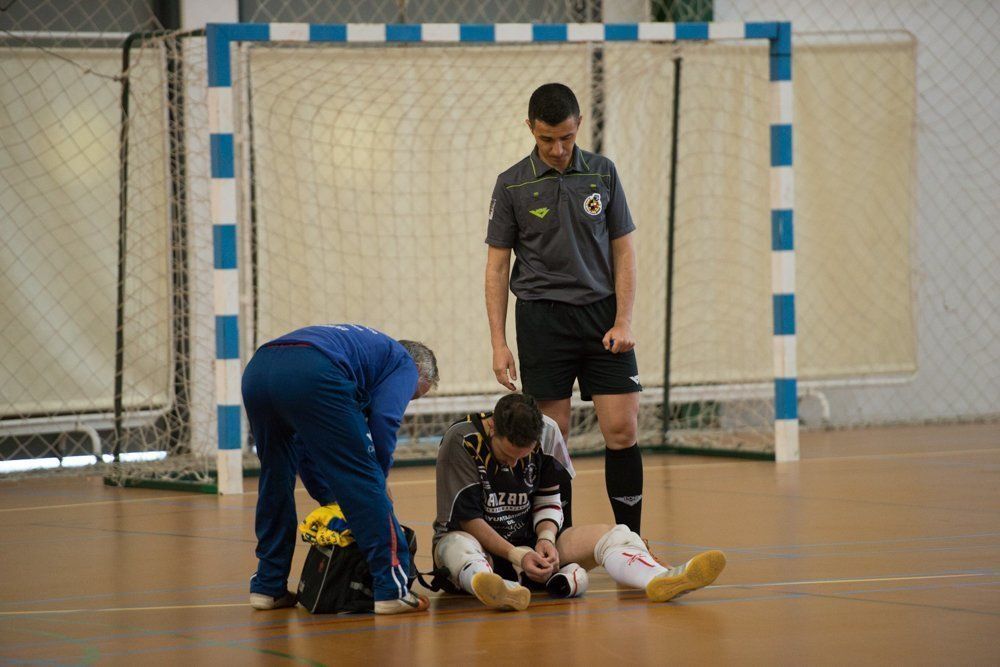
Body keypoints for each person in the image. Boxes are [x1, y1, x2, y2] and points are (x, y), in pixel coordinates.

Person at [485, 82, 645, 533]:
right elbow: (497, 269)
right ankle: (562, 547)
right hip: (542, 321)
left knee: (623, 430)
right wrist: (499, 344)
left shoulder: (603, 173)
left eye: (567, 138)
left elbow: (624, 252)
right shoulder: (511, 183)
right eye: (546, 139)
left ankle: (630, 541)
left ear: (578, 127)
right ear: (530, 129)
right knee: (552, 441)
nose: (557, 149)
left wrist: (624, 320)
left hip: (601, 319)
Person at [432, 394, 725, 611]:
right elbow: (468, 520)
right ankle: (489, 583)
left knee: (618, 534)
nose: (514, 463)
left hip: (532, 549)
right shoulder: (462, 440)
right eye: (507, 455)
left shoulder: (547, 431)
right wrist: (516, 555)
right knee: (456, 546)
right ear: (493, 427)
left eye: (524, 456)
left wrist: (545, 538)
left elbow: (549, 496)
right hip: (484, 546)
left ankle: (662, 579)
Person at [241, 324, 438, 614]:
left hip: (258, 370)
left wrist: (332, 499)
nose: (407, 401)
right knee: (365, 479)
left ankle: (268, 586)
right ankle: (390, 589)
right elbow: (384, 421)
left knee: (275, 477)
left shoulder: (361, 356)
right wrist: (377, 478)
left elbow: (307, 450)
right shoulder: (402, 362)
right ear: (419, 370)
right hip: (313, 371)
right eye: (413, 395)